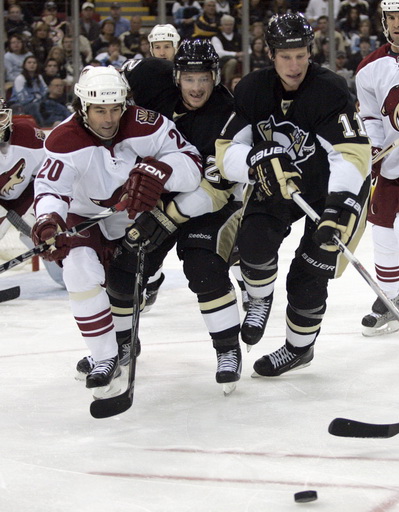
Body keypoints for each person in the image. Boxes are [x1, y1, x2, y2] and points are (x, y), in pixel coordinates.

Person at [215, 13, 371, 376]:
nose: (294, 64)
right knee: (253, 242)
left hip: (332, 190)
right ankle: (259, 298)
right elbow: (226, 148)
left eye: (301, 55)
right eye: (286, 56)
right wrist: (254, 159)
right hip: (279, 181)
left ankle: (299, 349)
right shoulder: (253, 88)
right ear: (269, 54)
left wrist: (337, 209)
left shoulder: (328, 89)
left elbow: (352, 153)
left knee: (308, 273)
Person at [32, 65, 201, 398]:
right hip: (84, 216)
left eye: (114, 109)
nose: (108, 119)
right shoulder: (63, 139)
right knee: (79, 272)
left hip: (134, 216)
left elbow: (192, 164)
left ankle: (132, 324)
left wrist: (161, 172)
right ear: (83, 108)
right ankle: (105, 357)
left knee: (125, 287)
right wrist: (49, 221)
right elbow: (50, 188)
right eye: (99, 110)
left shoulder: (146, 124)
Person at [120, 40, 244, 394]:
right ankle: (121, 344)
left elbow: (217, 187)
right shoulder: (151, 77)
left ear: (215, 77)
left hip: (209, 202)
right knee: (126, 263)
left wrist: (169, 215)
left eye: (203, 78)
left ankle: (227, 350)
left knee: (203, 266)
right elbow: (108, 89)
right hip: (161, 196)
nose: (196, 87)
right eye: (188, 78)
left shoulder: (228, 115)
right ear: (176, 76)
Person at [356, 0, 399, 336]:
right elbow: (370, 116)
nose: (397, 23)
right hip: (393, 166)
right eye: (392, 17)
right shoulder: (370, 68)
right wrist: (373, 148)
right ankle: (391, 298)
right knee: (383, 230)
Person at [0, 99, 64, 287]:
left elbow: (49, 168)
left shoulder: (28, 135)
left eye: (1, 116)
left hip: (27, 193)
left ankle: (68, 276)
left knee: (45, 234)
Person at [9, 55, 48, 121]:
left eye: (34, 63)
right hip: (20, 105)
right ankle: (42, 126)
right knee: (34, 106)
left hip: (39, 102)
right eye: (29, 63)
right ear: (24, 65)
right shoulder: (20, 78)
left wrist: (40, 100)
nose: (32, 64)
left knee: (51, 103)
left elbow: (45, 90)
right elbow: (22, 98)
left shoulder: (39, 77)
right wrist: (37, 99)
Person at [211, 14, 244, 86]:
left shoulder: (239, 37)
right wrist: (236, 54)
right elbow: (219, 53)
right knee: (232, 62)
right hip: (223, 63)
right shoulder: (216, 38)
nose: (228, 27)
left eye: (231, 24)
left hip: (240, 59)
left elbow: (249, 50)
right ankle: (228, 84)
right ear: (221, 26)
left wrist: (243, 55)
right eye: (226, 25)